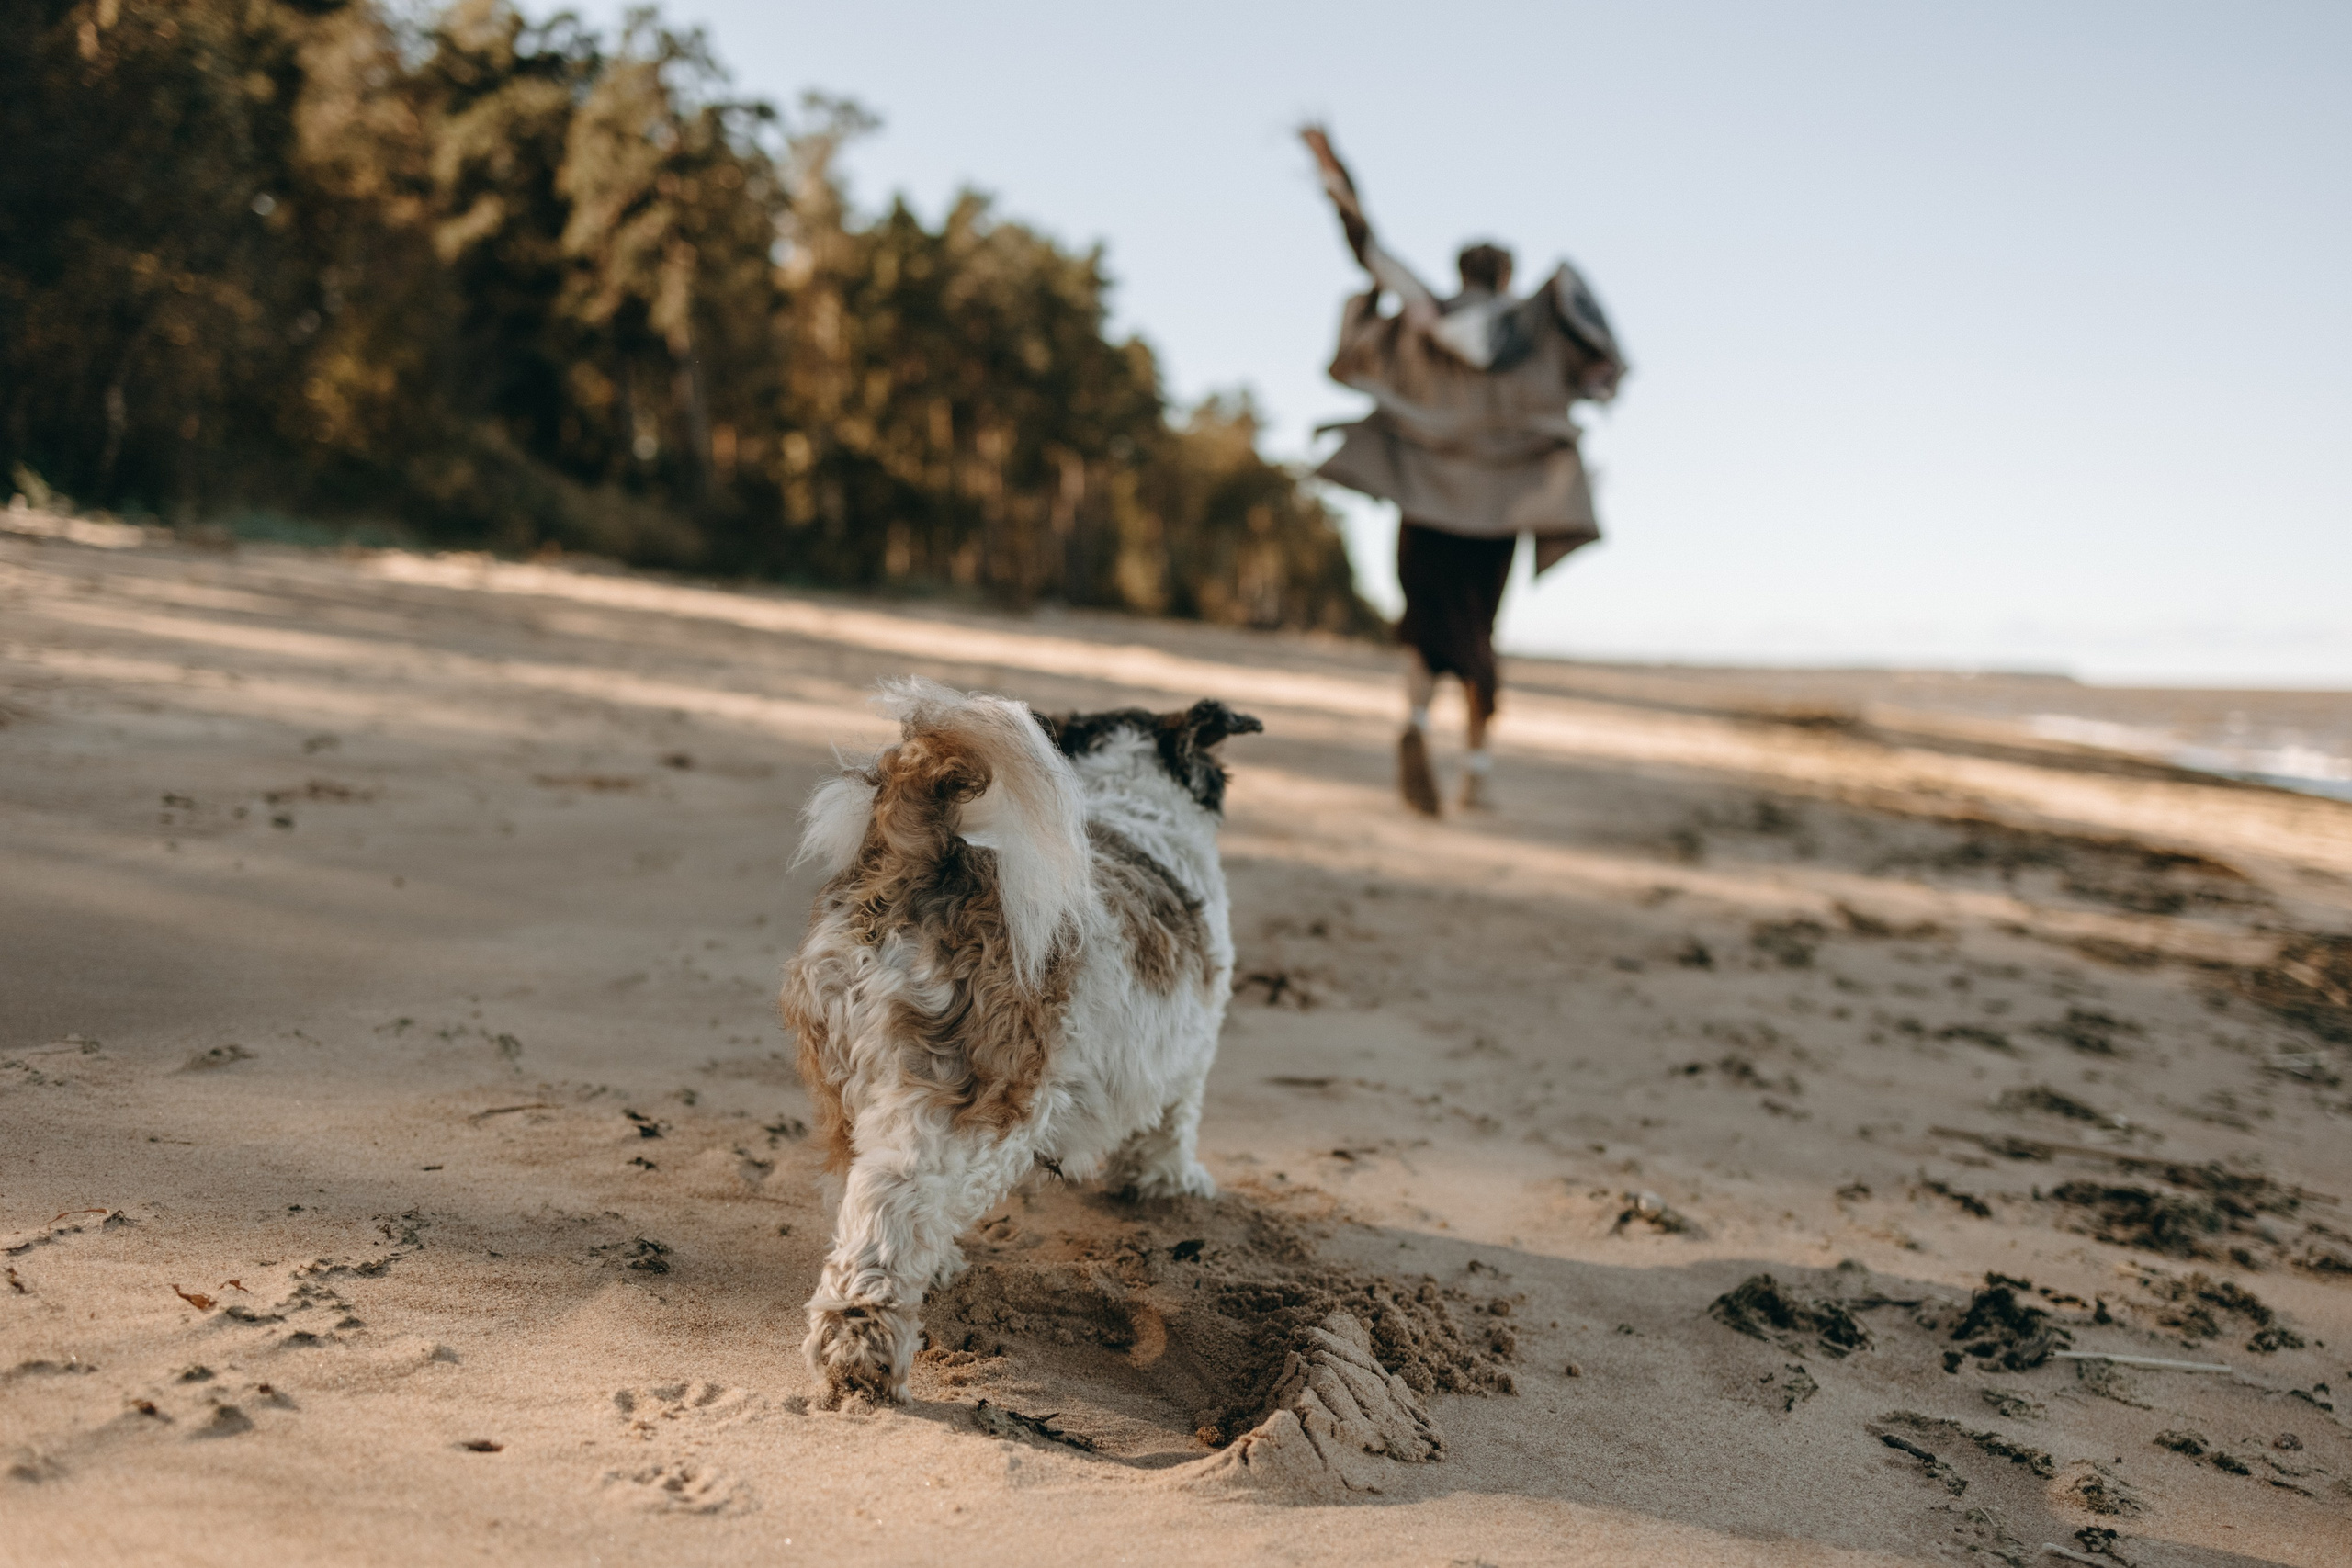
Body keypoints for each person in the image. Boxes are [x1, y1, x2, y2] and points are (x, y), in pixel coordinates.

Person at [1303, 127, 1626, 815]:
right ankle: (1476, 770)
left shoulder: (1426, 317)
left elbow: (1369, 249)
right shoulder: (1537, 327)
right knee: (1478, 632)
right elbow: (1599, 359)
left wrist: (1334, 174)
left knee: (1427, 627)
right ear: (1506, 275)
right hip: (1498, 514)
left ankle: (1416, 726)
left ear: (1461, 271)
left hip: (1425, 504)